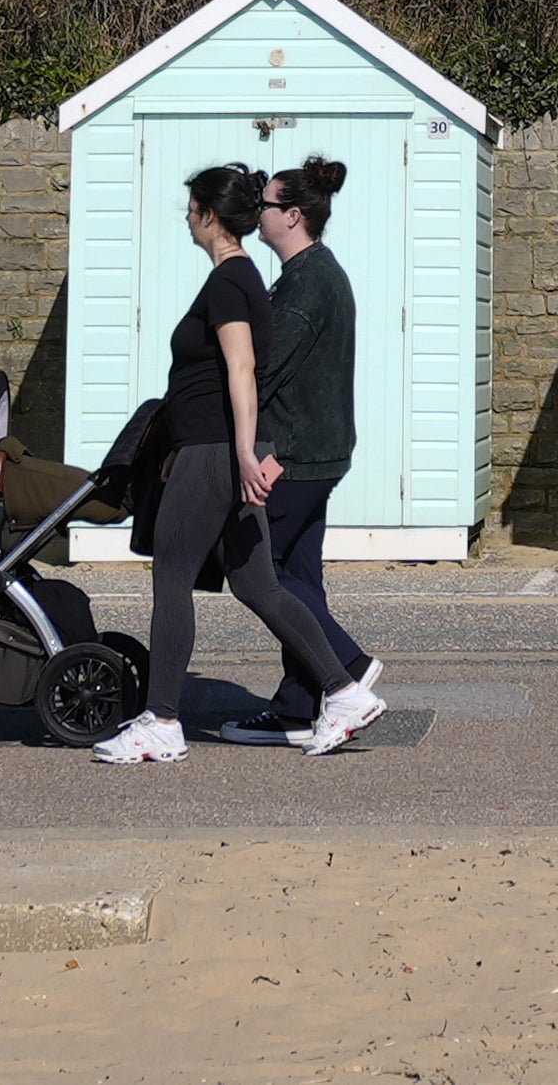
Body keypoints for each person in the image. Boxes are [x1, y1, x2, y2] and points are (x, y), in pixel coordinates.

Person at [93, 164, 370, 764]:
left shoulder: (230, 281)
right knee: (258, 584)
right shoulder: (246, 277)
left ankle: (161, 721)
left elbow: (244, 370)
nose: (187, 217)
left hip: (213, 453)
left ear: (208, 215)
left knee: (171, 579)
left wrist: (245, 453)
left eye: (191, 207)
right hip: (216, 449)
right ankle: (344, 691)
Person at [207, 155, 389, 749]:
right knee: (300, 577)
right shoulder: (312, 273)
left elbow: (265, 371)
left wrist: (261, 446)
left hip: (296, 457)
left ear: (292, 215)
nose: (256, 211)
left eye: (265, 204)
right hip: (318, 453)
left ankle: (348, 666)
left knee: (264, 576)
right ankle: (294, 705)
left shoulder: (308, 283)